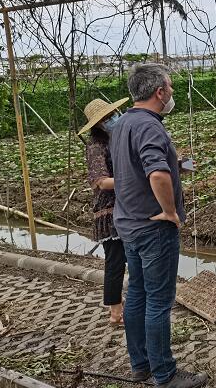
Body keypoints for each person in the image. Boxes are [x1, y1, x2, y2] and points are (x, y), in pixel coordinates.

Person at [110, 63, 208, 388]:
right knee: (158, 300)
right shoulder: (150, 126)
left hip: (129, 224)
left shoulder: (122, 124)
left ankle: (140, 365)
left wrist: (178, 165)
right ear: (159, 91)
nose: (172, 93)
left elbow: (137, 167)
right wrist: (170, 212)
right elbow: (156, 173)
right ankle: (165, 375)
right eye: (171, 87)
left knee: (137, 293)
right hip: (153, 228)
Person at [78, 97, 129, 327]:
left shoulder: (120, 138)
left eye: (112, 115)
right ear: (97, 124)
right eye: (106, 118)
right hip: (109, 211)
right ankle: (115, 313)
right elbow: (101, 181)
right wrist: (131, 181)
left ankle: (125, 304)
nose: (112, 119)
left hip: (127, 205)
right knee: (115, 261)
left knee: (129, 259)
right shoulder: (96, 146)